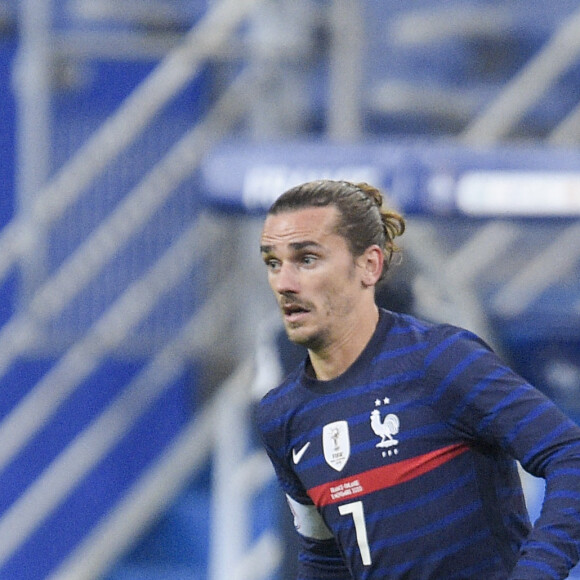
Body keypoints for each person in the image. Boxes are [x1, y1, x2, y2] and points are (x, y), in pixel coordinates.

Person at [255, 179, 580, 579]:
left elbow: (570, 455)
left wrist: (536, 572)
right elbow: (325, 555)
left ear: (369, 265)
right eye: (273, 262)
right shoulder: (281, 415)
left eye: (307, 259)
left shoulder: (441, 361)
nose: (285, 282)